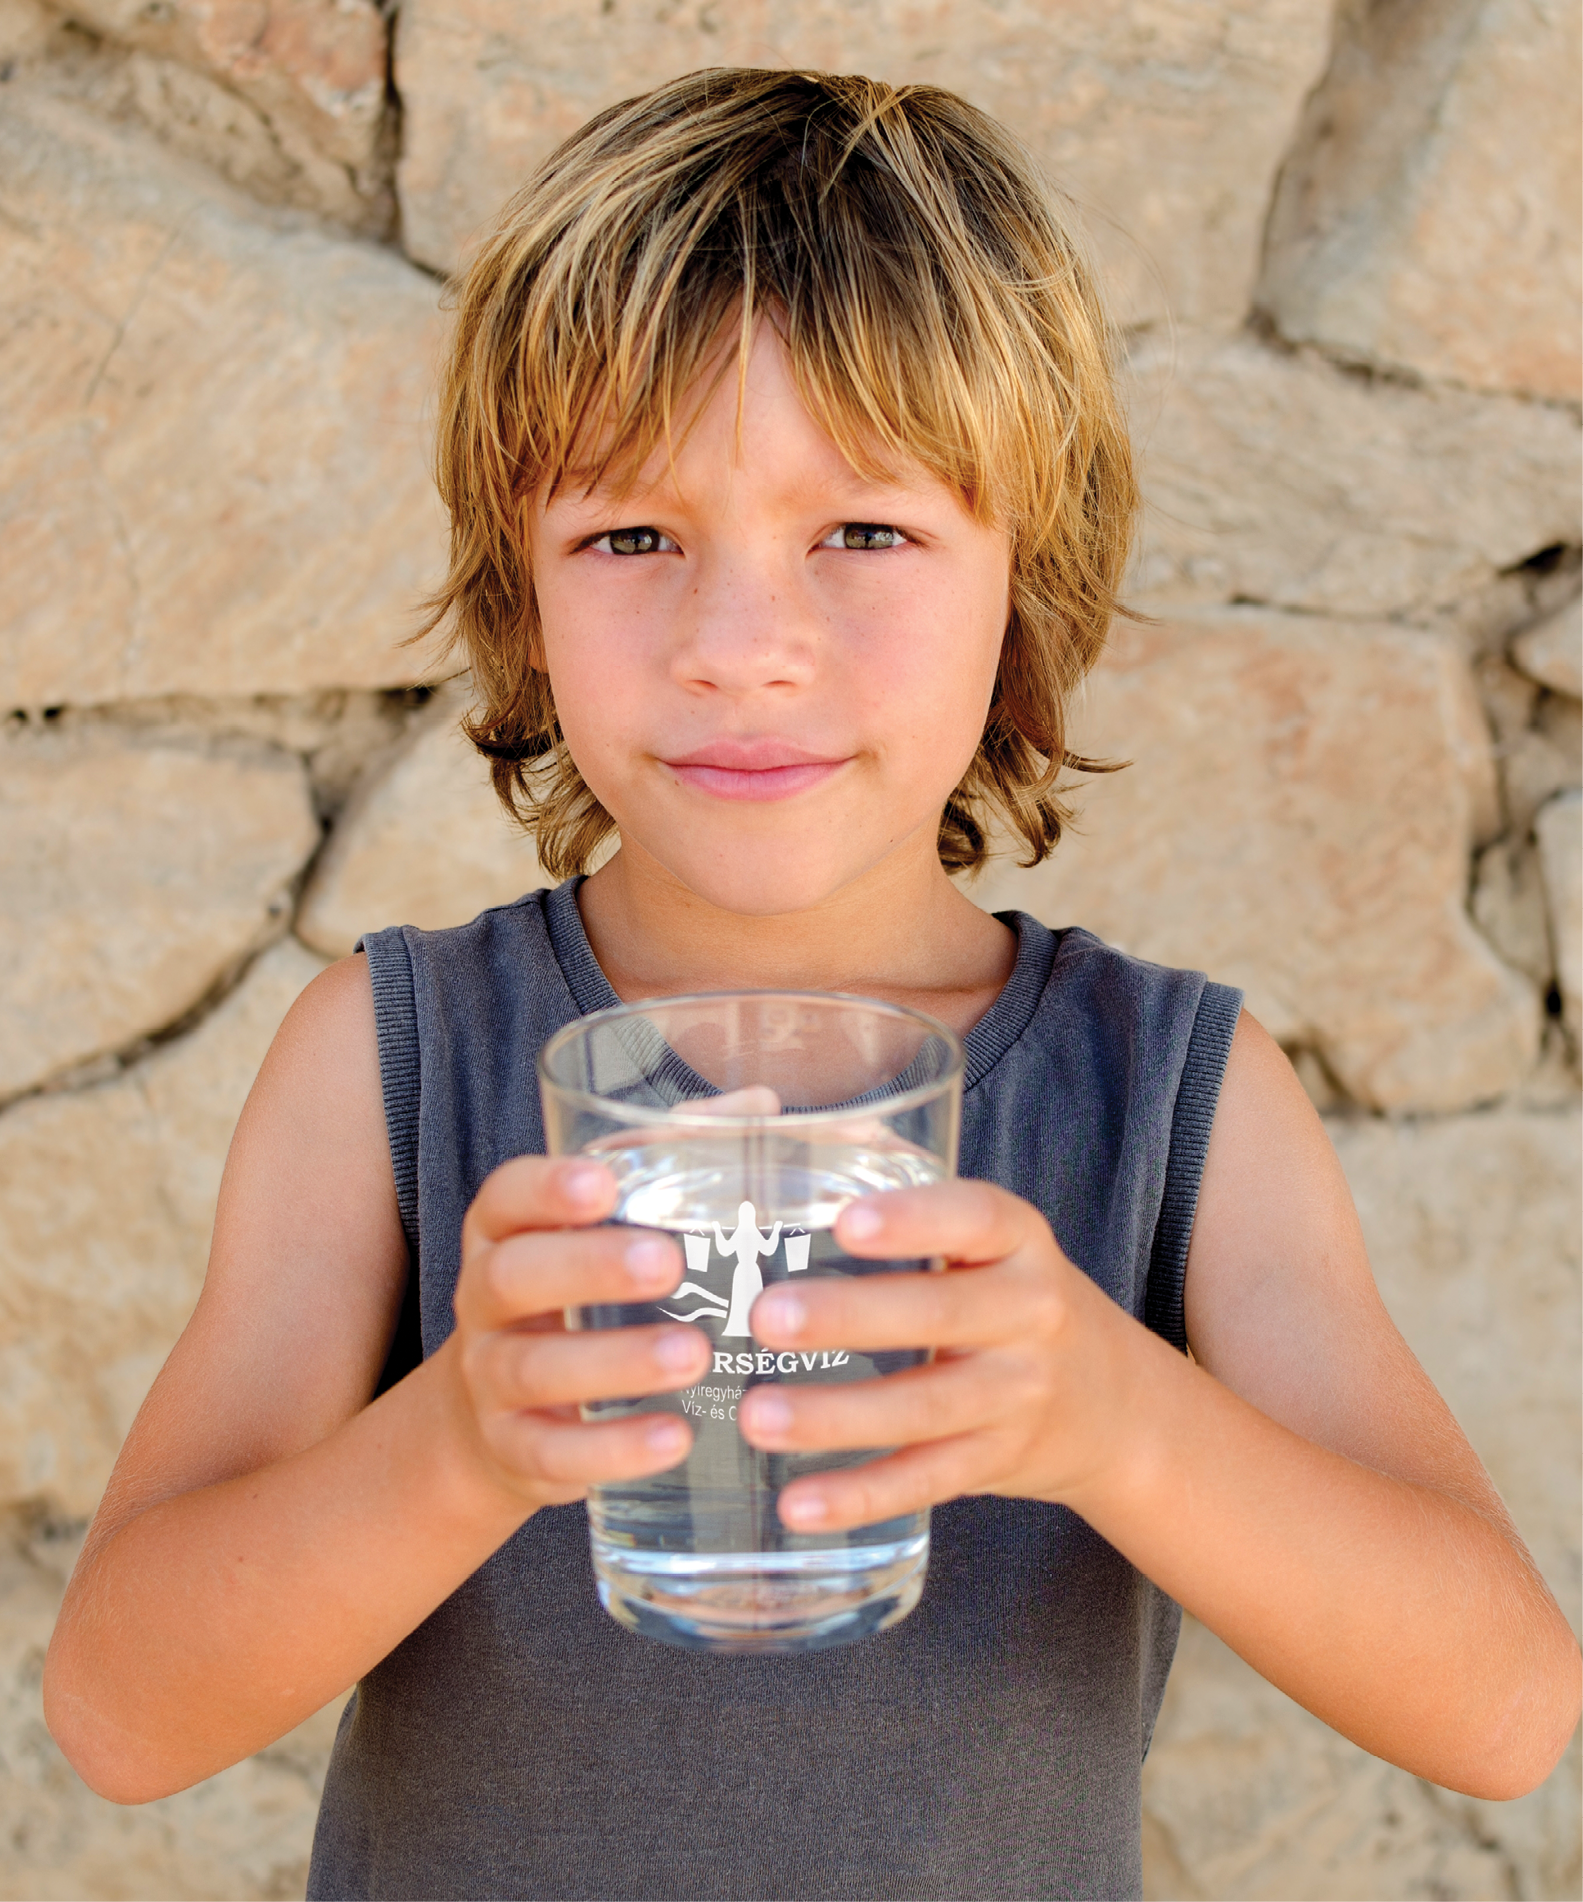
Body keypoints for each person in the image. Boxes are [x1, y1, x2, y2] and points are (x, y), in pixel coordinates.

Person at [44, 68, 1581, 1901]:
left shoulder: (1165, 1094)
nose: (741, 649)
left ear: (1024, 578)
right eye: (631, 537)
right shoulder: (391, 1063)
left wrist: (1113, 1415)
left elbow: (1503, 1708)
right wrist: (458, 1440)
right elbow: (121, 1717)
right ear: (519, 590)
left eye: (862, 531)